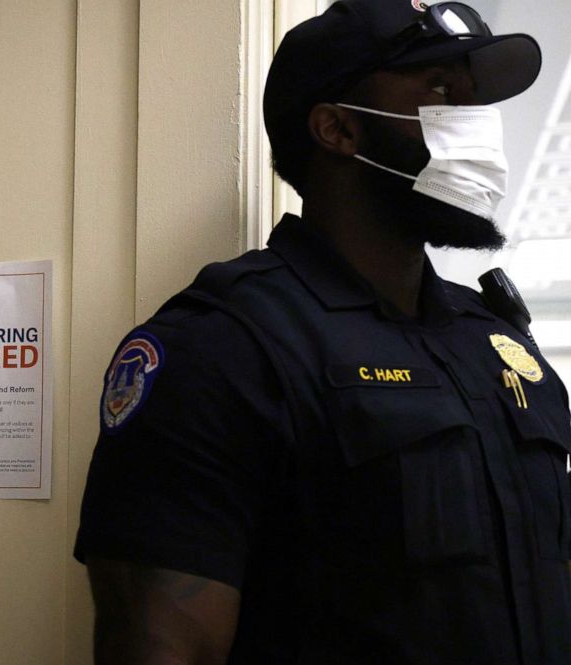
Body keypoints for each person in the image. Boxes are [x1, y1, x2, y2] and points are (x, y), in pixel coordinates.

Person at [74, 1, 571, 663]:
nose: (477, 125)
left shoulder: (496, 342)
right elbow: (162, 642)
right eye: (443, 92)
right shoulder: (224, 346)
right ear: (337, 129)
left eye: (475, 98)